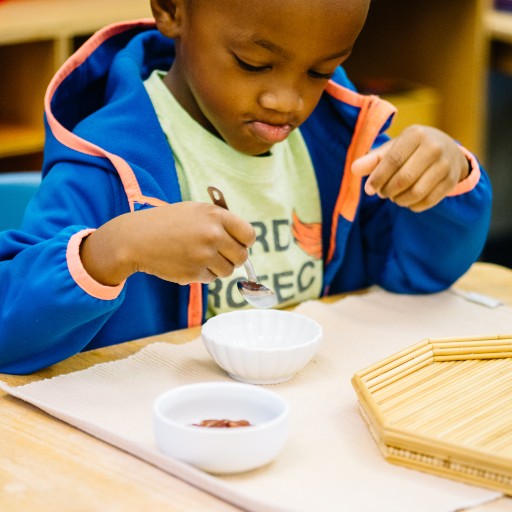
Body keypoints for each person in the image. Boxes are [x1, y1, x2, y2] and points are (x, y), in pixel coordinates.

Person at [0, 0, 492, 374]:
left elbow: (417, 276)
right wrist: (115, 249)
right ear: (172, 9)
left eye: (320, 71)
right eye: (254, 63)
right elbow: (9, 329)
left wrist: (444, 182)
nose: (288, 101)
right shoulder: (104, 161)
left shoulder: (340, 139)